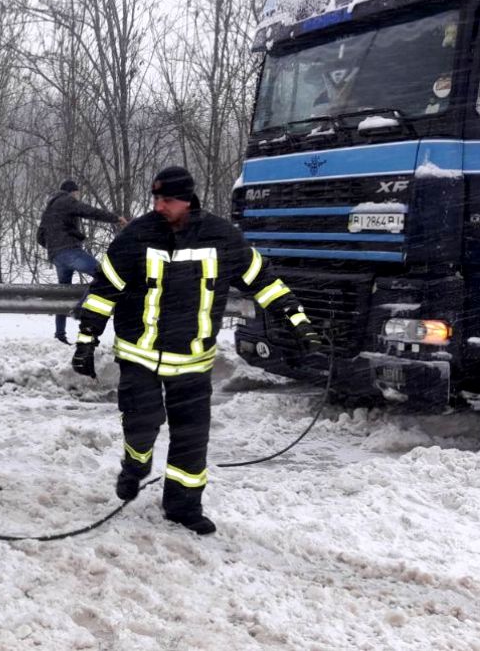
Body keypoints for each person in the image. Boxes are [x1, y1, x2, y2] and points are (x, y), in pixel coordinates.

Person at [70, 166, 321, 535]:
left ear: (188, 199)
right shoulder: (135, 236)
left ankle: (183, 507)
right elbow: (104, 291)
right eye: (156, 198)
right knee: (141, 423)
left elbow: (263, 281)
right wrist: (86, 341)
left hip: (193, 362)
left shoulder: (222, 237)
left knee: (191, 438)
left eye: (168, 199)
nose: (159, 206)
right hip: (139, 356)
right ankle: (135, 465)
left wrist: (297, 321)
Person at [39, 179, 127, 344]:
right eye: (77, 194)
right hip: (70, 252)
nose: (78, 196)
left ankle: (60, 335)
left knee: (62, 294)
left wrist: (54, 246)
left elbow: (40, 236)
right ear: (73, 192)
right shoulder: (67, 200)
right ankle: (80, 308)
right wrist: (115, 218)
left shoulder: (49, 209)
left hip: (57, 256)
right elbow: (90, 211)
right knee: (104, 274)